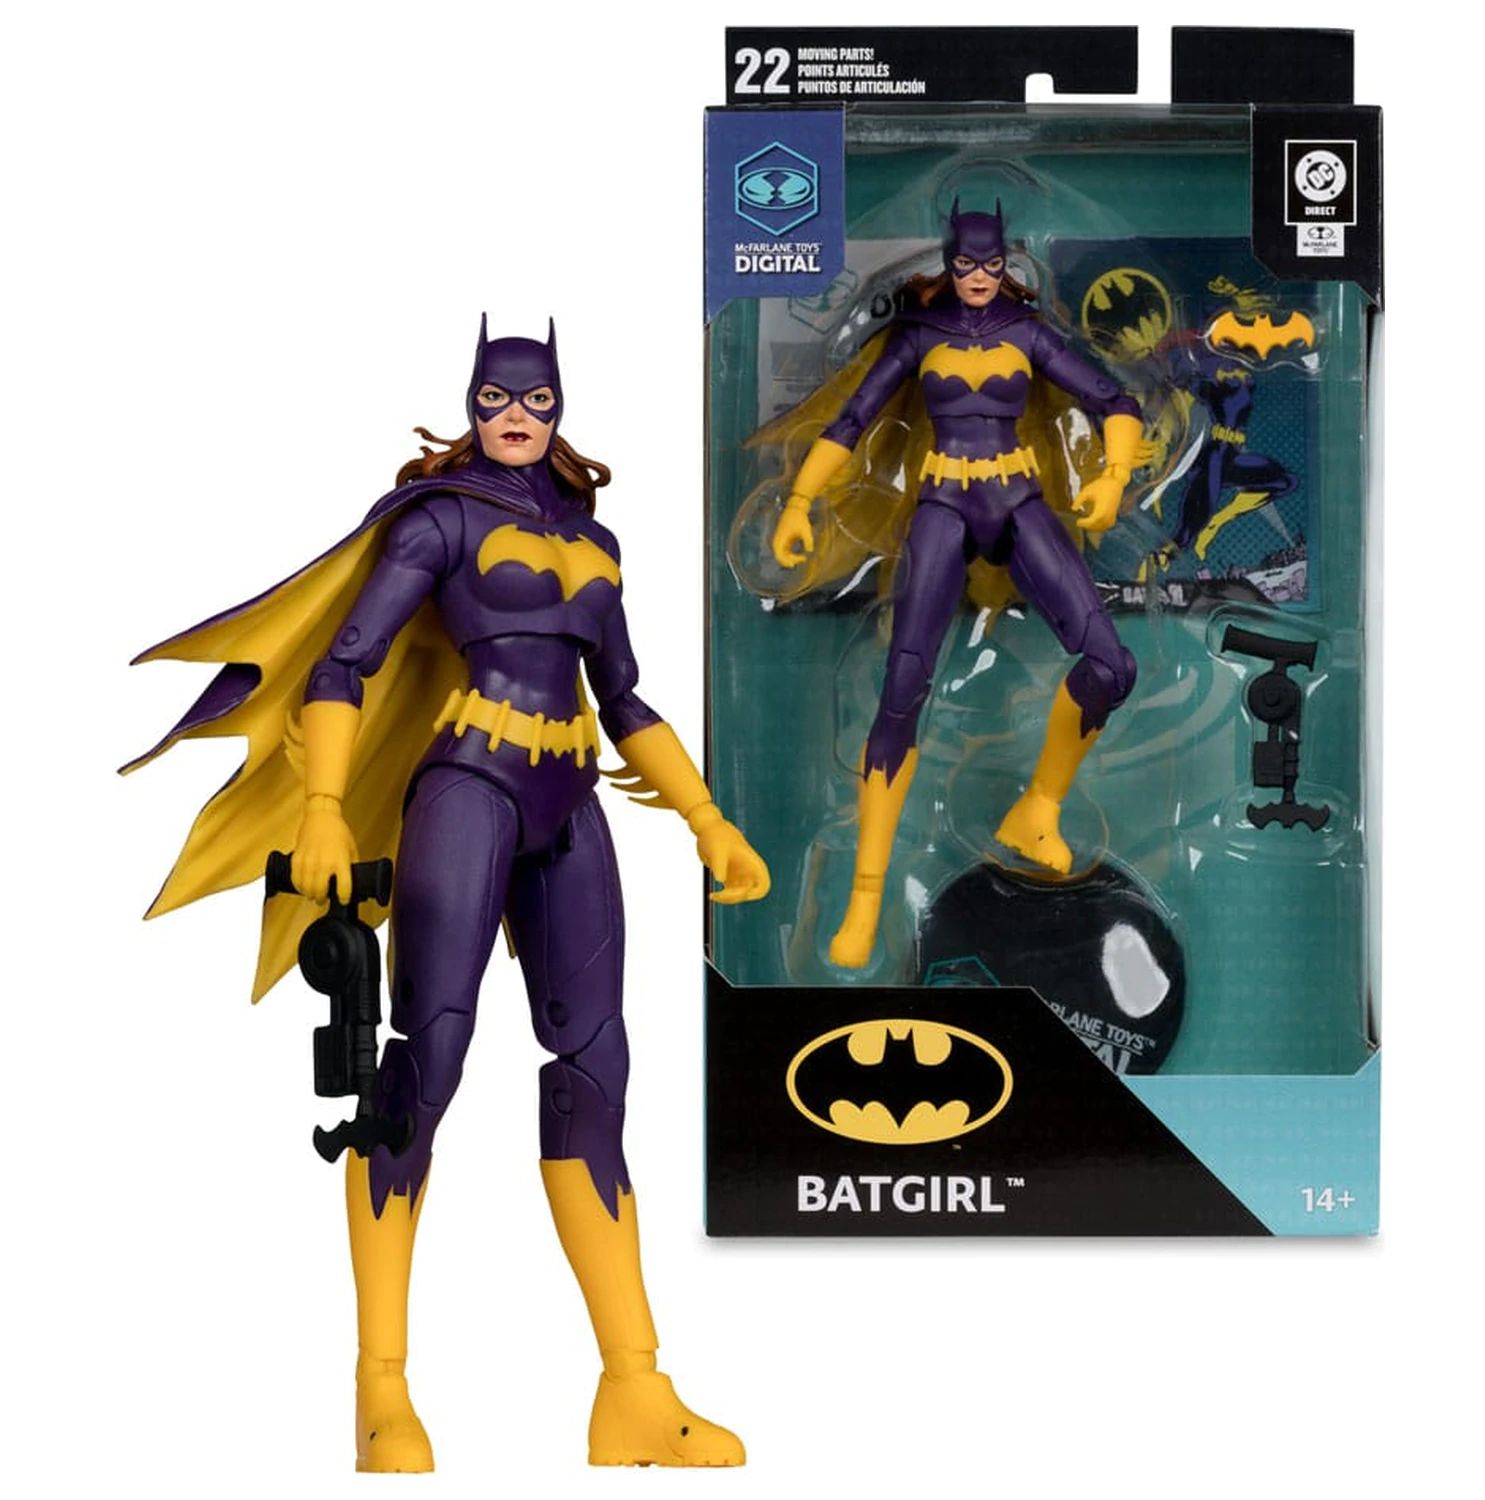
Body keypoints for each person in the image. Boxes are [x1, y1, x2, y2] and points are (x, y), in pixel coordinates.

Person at [127, 318, 769, 1470]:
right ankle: (381, 1390)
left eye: (535, 400)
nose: (515, 416)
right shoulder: (440, 520)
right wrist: (324, 806)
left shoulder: (596, 538)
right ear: (472, 403)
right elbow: (345, 663)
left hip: (571, 800)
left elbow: (625, 697)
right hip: (469, 787)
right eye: (495, 398)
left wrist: (707, 821)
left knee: (597, 1071)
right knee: (424, 1065)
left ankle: (633, 1387)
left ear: (560, 407)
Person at [769, 201, 1143, 968]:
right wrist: (800, 501)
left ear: (1006, 263)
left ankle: (1037, 810)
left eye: (991, 265)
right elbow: (851, 422)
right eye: (967, 265)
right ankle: (865, 899)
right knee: (900, 689)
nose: (978, 278)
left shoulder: (1027, 332)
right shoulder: (918, 337)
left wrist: (1112, 478)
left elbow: (1116, 401)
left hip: (1019, 498)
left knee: (1112, 665)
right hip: (941, 503)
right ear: (948, 262)